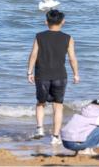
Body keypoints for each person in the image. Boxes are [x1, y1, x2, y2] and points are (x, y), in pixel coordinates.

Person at [26, 9, 79, 145]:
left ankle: (40, 129)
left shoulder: (39, 36)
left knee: (40, 103)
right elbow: (72, 58)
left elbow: (33, 54)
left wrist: (29, 72)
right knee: (58, 106)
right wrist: (76, 74)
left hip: (42, 75)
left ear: (46, 22)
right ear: (63, 22)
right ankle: (55, 137)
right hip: (60, 75)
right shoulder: (68, 38)